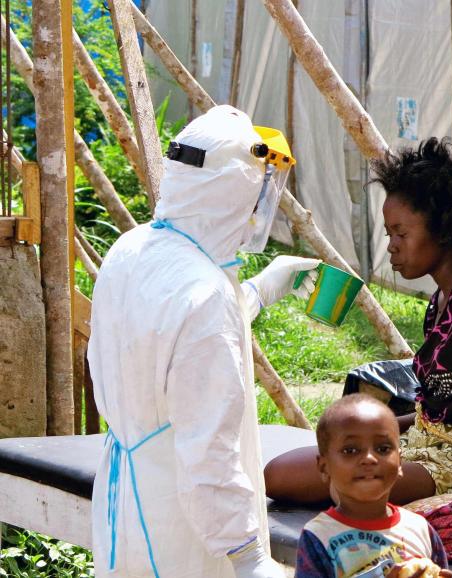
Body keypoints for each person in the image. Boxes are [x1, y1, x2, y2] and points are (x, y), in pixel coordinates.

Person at [266, 137, 452, 516]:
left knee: (348, 485)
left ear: (443, 227)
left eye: (401, 233)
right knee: (280, 474)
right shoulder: (437, 303)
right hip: (425, 443)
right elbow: (435, 409)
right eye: (390, 234)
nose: (392, 246)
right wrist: (369, 430)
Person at [89, 105, 321, 577]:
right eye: (256, 193)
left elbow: (166, 343)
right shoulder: (206, 296)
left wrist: (258, 291)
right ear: (230, 193)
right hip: (183, 526)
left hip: (124, 498)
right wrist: (248, 555)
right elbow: (207, 450)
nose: (257, 213)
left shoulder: (133, 249)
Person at [294, 395, 451, 578]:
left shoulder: (420, 528)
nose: (369, 458)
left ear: (400, 462)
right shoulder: (319, 537)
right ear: (324, 467)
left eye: (383, 449)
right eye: (350, 450)